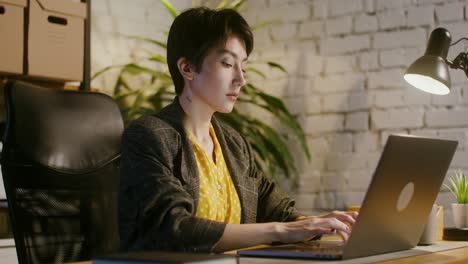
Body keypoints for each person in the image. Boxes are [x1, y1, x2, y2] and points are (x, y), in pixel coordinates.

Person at [118, 7, 357, 253]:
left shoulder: (233, 143)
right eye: (227, 63)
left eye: (243, 67)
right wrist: (280, 231)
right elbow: (174, 227)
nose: (240, 79)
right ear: (187, 68)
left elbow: (276, 208)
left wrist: (312, 224)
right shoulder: (149, 135)